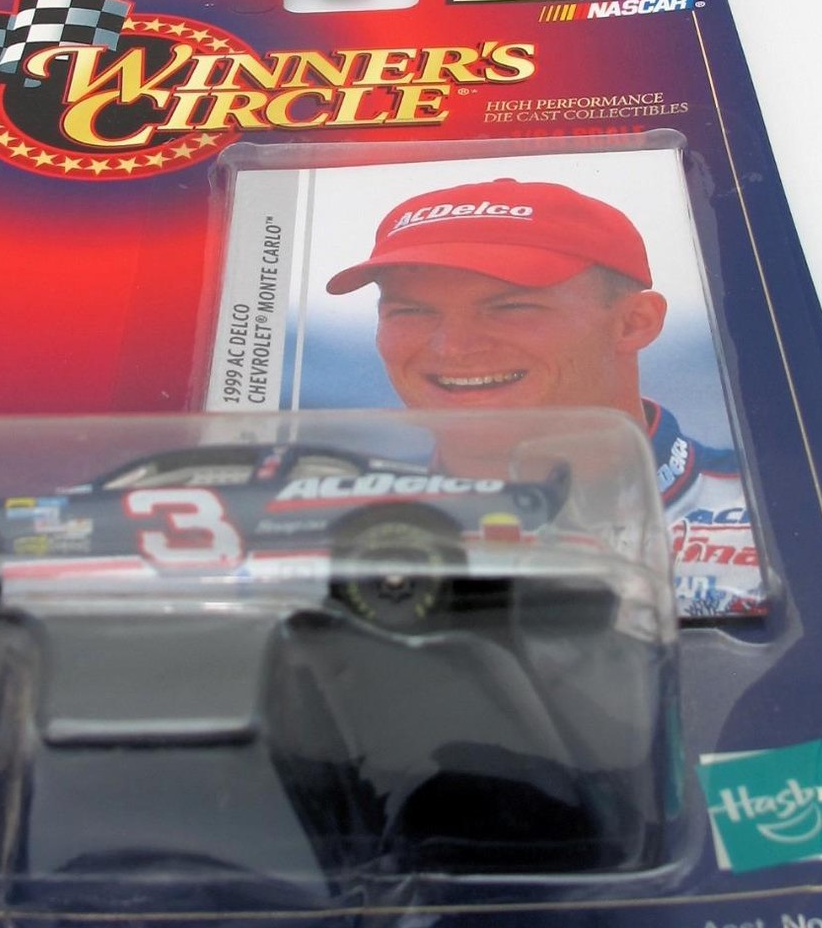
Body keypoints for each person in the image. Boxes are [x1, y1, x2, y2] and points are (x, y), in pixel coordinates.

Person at [326, 178, 763, 617]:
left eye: (510, 308)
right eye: (411, 311)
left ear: (634, 323)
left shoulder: (774, 516)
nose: (452, 347)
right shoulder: (323, 529)